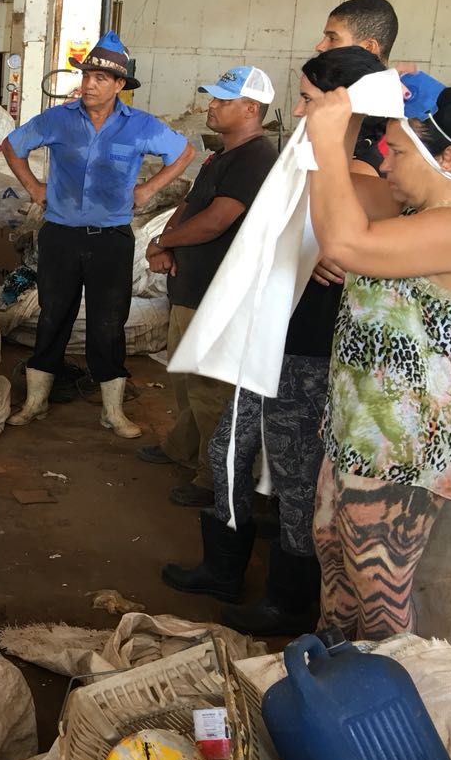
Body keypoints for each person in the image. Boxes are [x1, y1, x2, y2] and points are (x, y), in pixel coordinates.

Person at [158, 47, 398, 635]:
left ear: (344, 107)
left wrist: (338, 254)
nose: (296, 110)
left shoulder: (366, 181)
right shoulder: (302, 165)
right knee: (228, 451)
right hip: (270, 338)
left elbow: (355, 249)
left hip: (309, 352)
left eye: (308, 99)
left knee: (294, 476)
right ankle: (223, 568)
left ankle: (288, 601)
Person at [305, 81, 451, 640]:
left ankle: (389, 689)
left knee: (379, 596)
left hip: (404, 447)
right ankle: (333, 679)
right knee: (336, 567)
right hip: (356, 431)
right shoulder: (417, 209)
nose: (384, 162)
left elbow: (345, 243)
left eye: (396, 151)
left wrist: (327, 134)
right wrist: (351, 112)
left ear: (445, 158)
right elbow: (332, 187)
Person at [2, 31, 194, 436]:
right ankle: (36, 402)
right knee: (53, 316)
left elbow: (184, 153)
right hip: (60, 235)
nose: (89, 84)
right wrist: (34, 187)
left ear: (120, 84)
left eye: (100, 78)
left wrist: (148, 190)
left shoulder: (140, 125)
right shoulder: (58, 119)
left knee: (109, 322)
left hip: (111, 239)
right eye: (86, 75)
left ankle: (112, 412)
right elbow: (12, 145)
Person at [138, 66, 278, 507]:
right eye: (213, 97)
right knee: (187, 379)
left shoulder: (256, 157)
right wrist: (164, 243)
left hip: (218, 294)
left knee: (211, 389)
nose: (211, 106)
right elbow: (190, 205)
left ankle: (213, 477)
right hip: (192, 288)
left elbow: (217, 221)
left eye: (222, 100)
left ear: (250, 108)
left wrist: (166, 242)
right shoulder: (222, 155)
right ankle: (182, 447)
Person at [315, 0, 399, 174]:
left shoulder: (392, 124)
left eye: (332, 38)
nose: (320, 46)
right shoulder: (343, 106)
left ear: (368, 48)